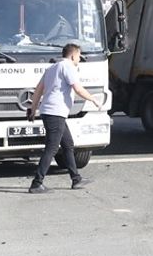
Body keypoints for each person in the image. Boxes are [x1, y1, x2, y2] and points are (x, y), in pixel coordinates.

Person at [26, 43, 101, 193]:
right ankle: (36, 183)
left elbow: (38, 90)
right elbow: (77, 88)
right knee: (52, 148)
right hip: (55, 112)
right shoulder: (68, 67)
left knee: (68, 145)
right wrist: (92, 98)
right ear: (73, 55)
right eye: (79, 56)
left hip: (51, 112)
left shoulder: (52, 68)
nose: (79, 59)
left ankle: (76, 179)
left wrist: (33, 110)